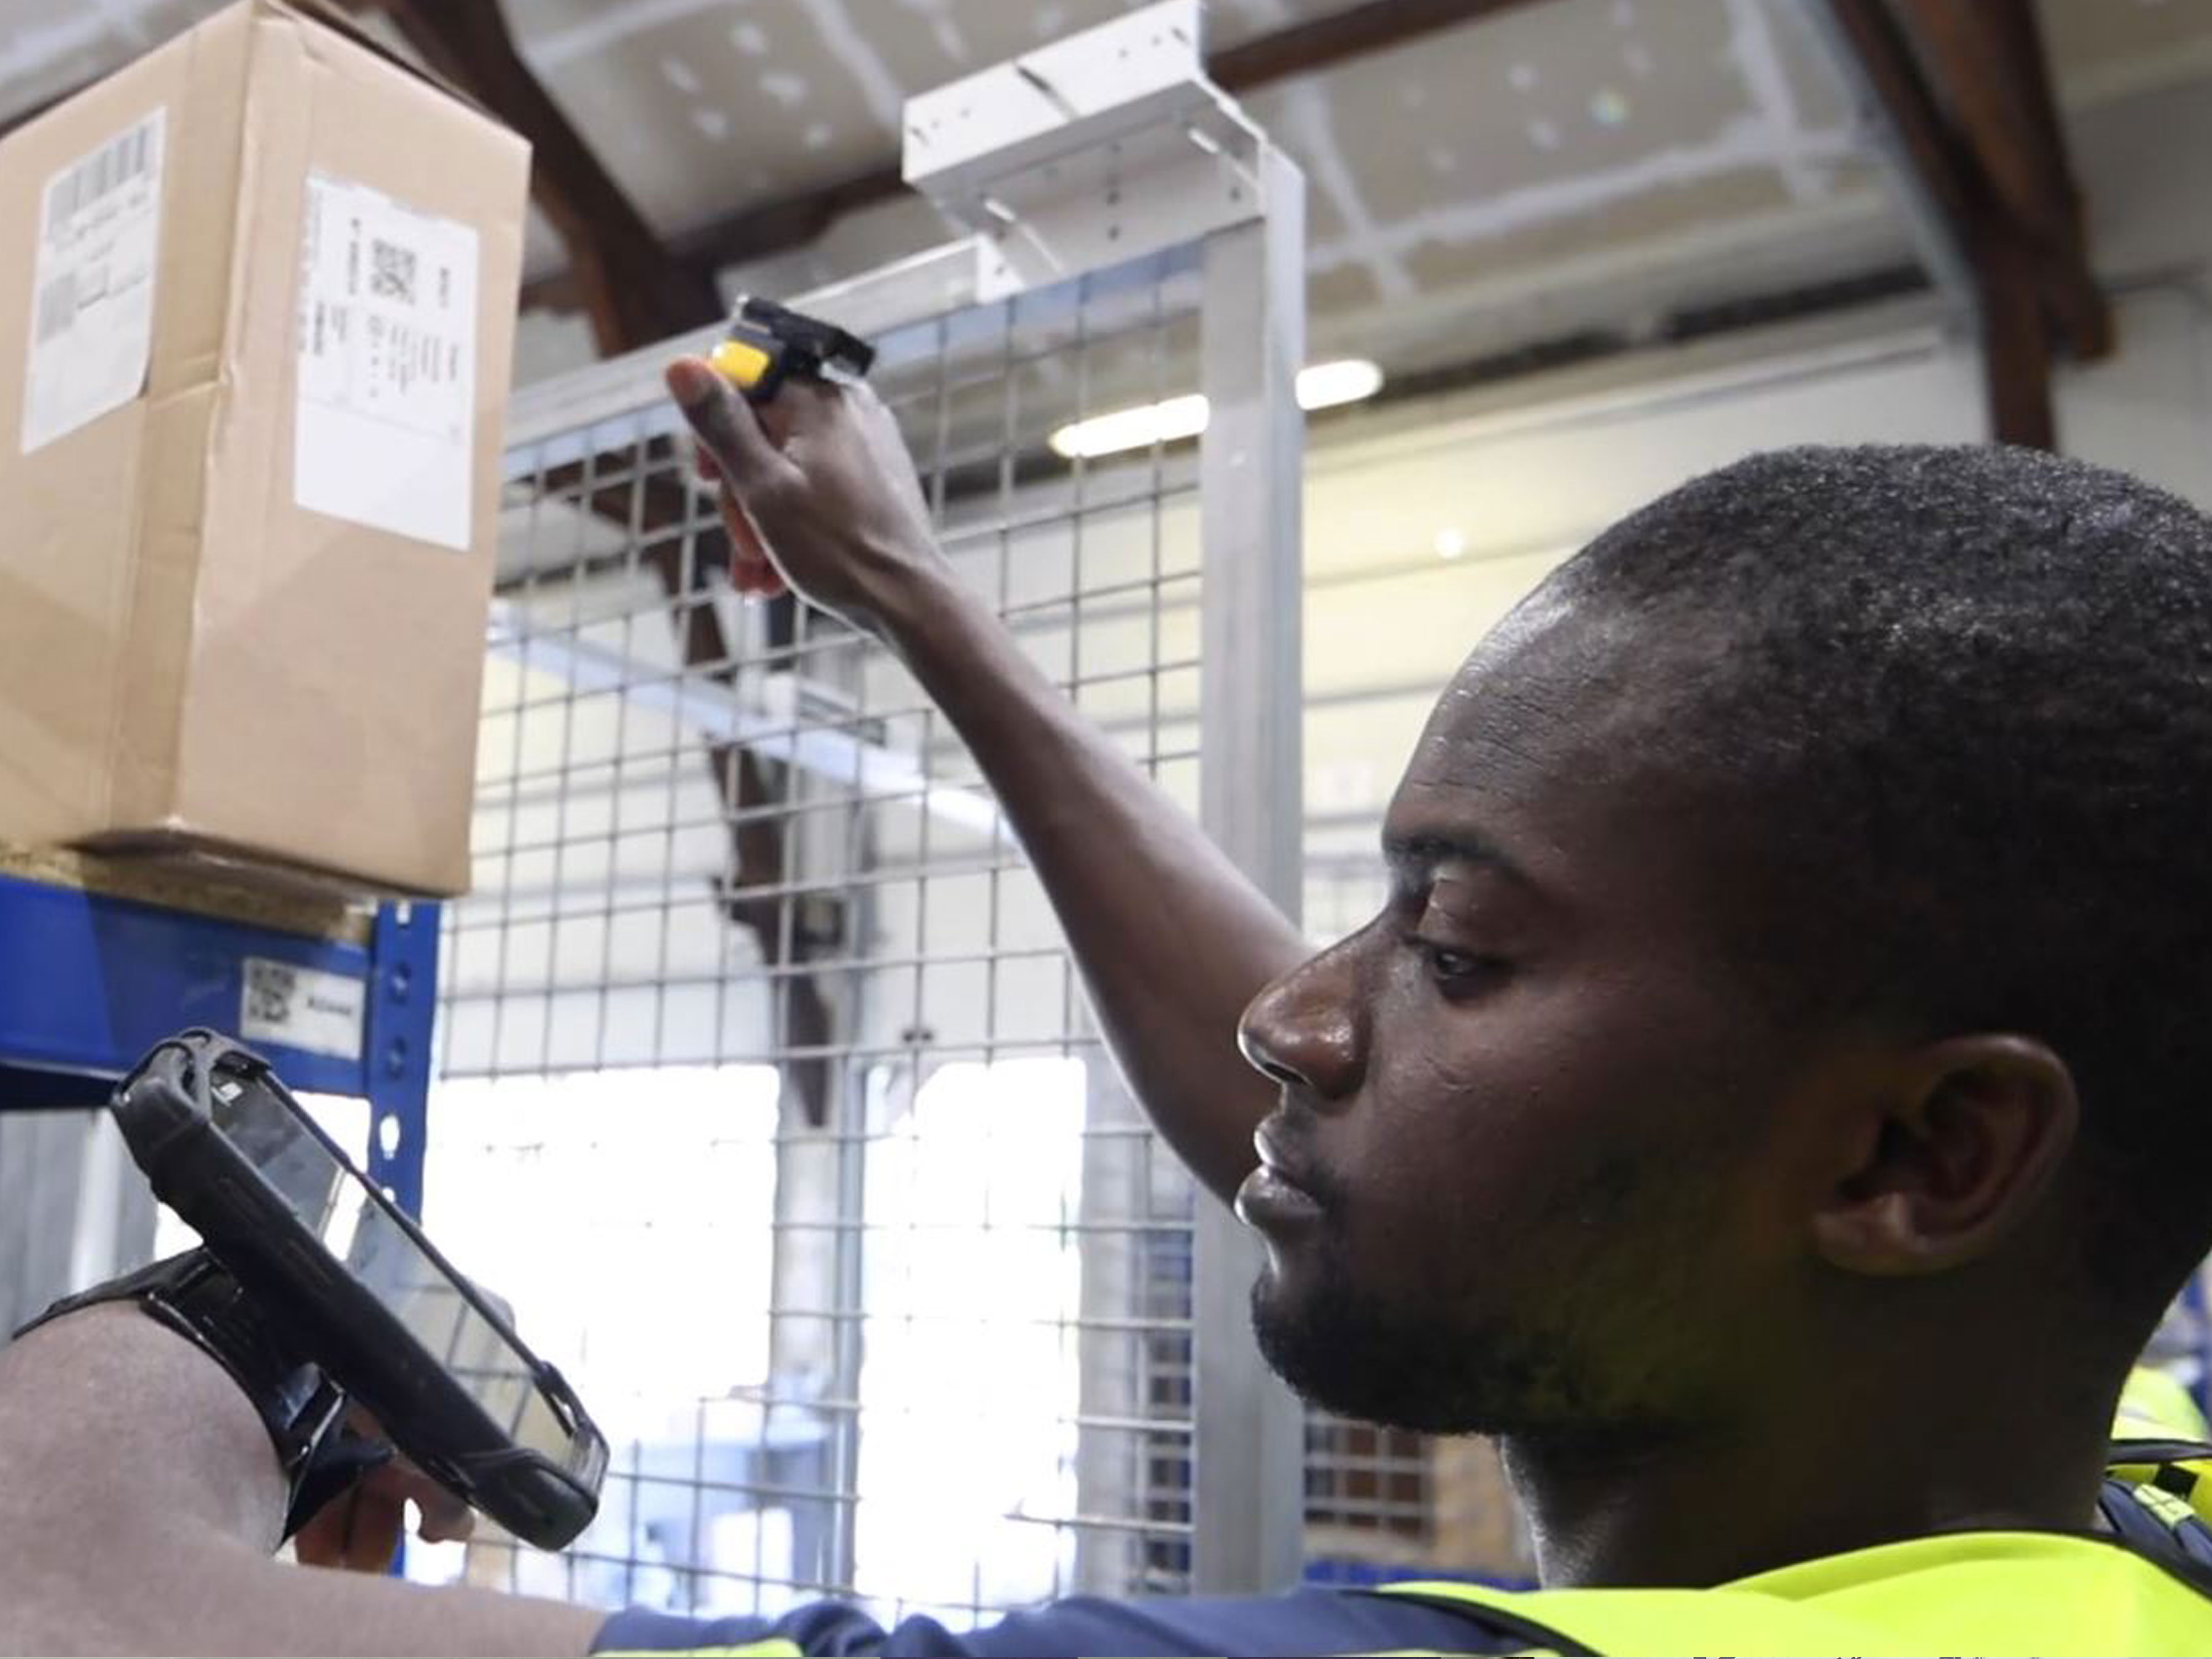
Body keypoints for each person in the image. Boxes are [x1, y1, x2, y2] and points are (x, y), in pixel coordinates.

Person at [5, 356, 2212, 1657]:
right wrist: (907, 591)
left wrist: (240, 1326)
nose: (1297, 1019)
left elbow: (60, 1602)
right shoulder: (2102, 1502)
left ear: (1925, 1156)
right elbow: (1375, 1124)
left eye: (1454, 953)